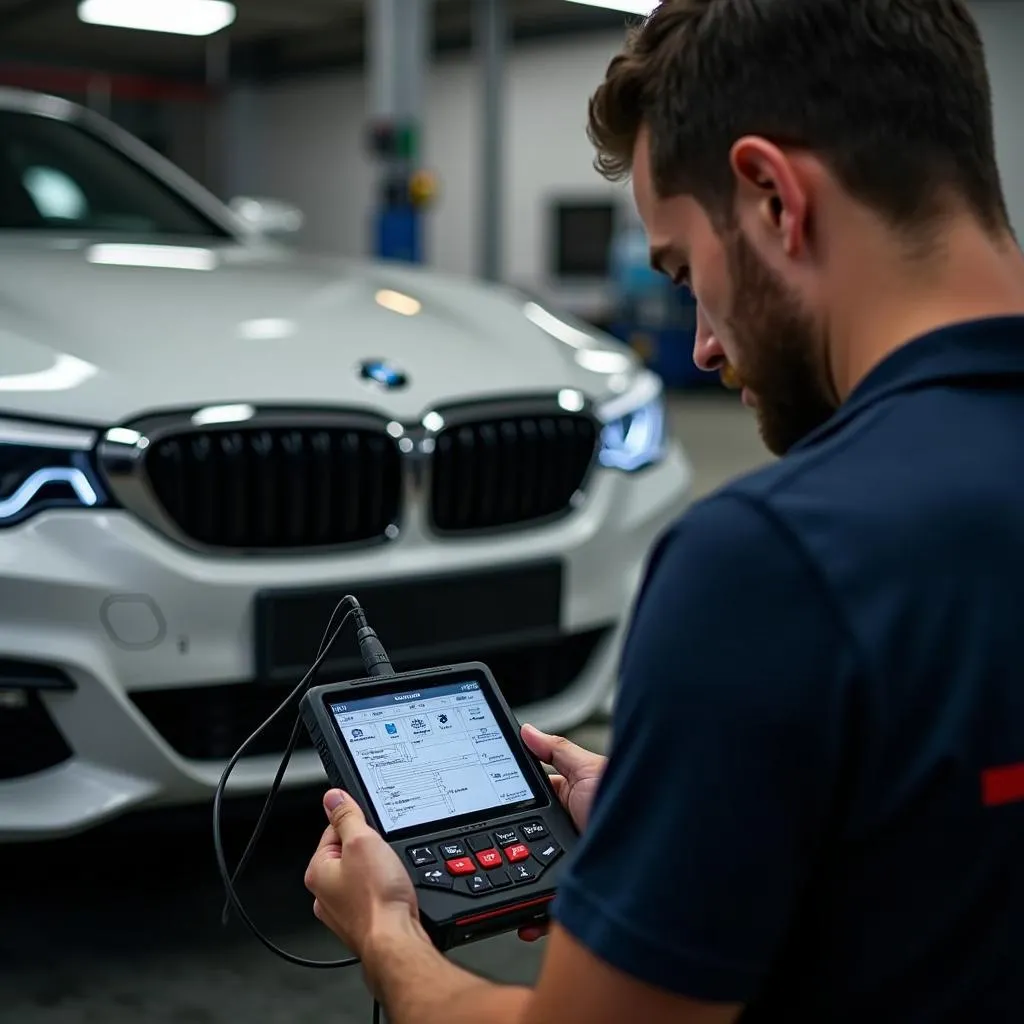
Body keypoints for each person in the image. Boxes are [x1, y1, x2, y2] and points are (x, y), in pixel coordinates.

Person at [303, 0, 1024, 1019]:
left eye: (687, 272)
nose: (700, 347)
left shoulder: (777, 559)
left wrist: (385, 934)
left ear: (773, 198)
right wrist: (706, 817)